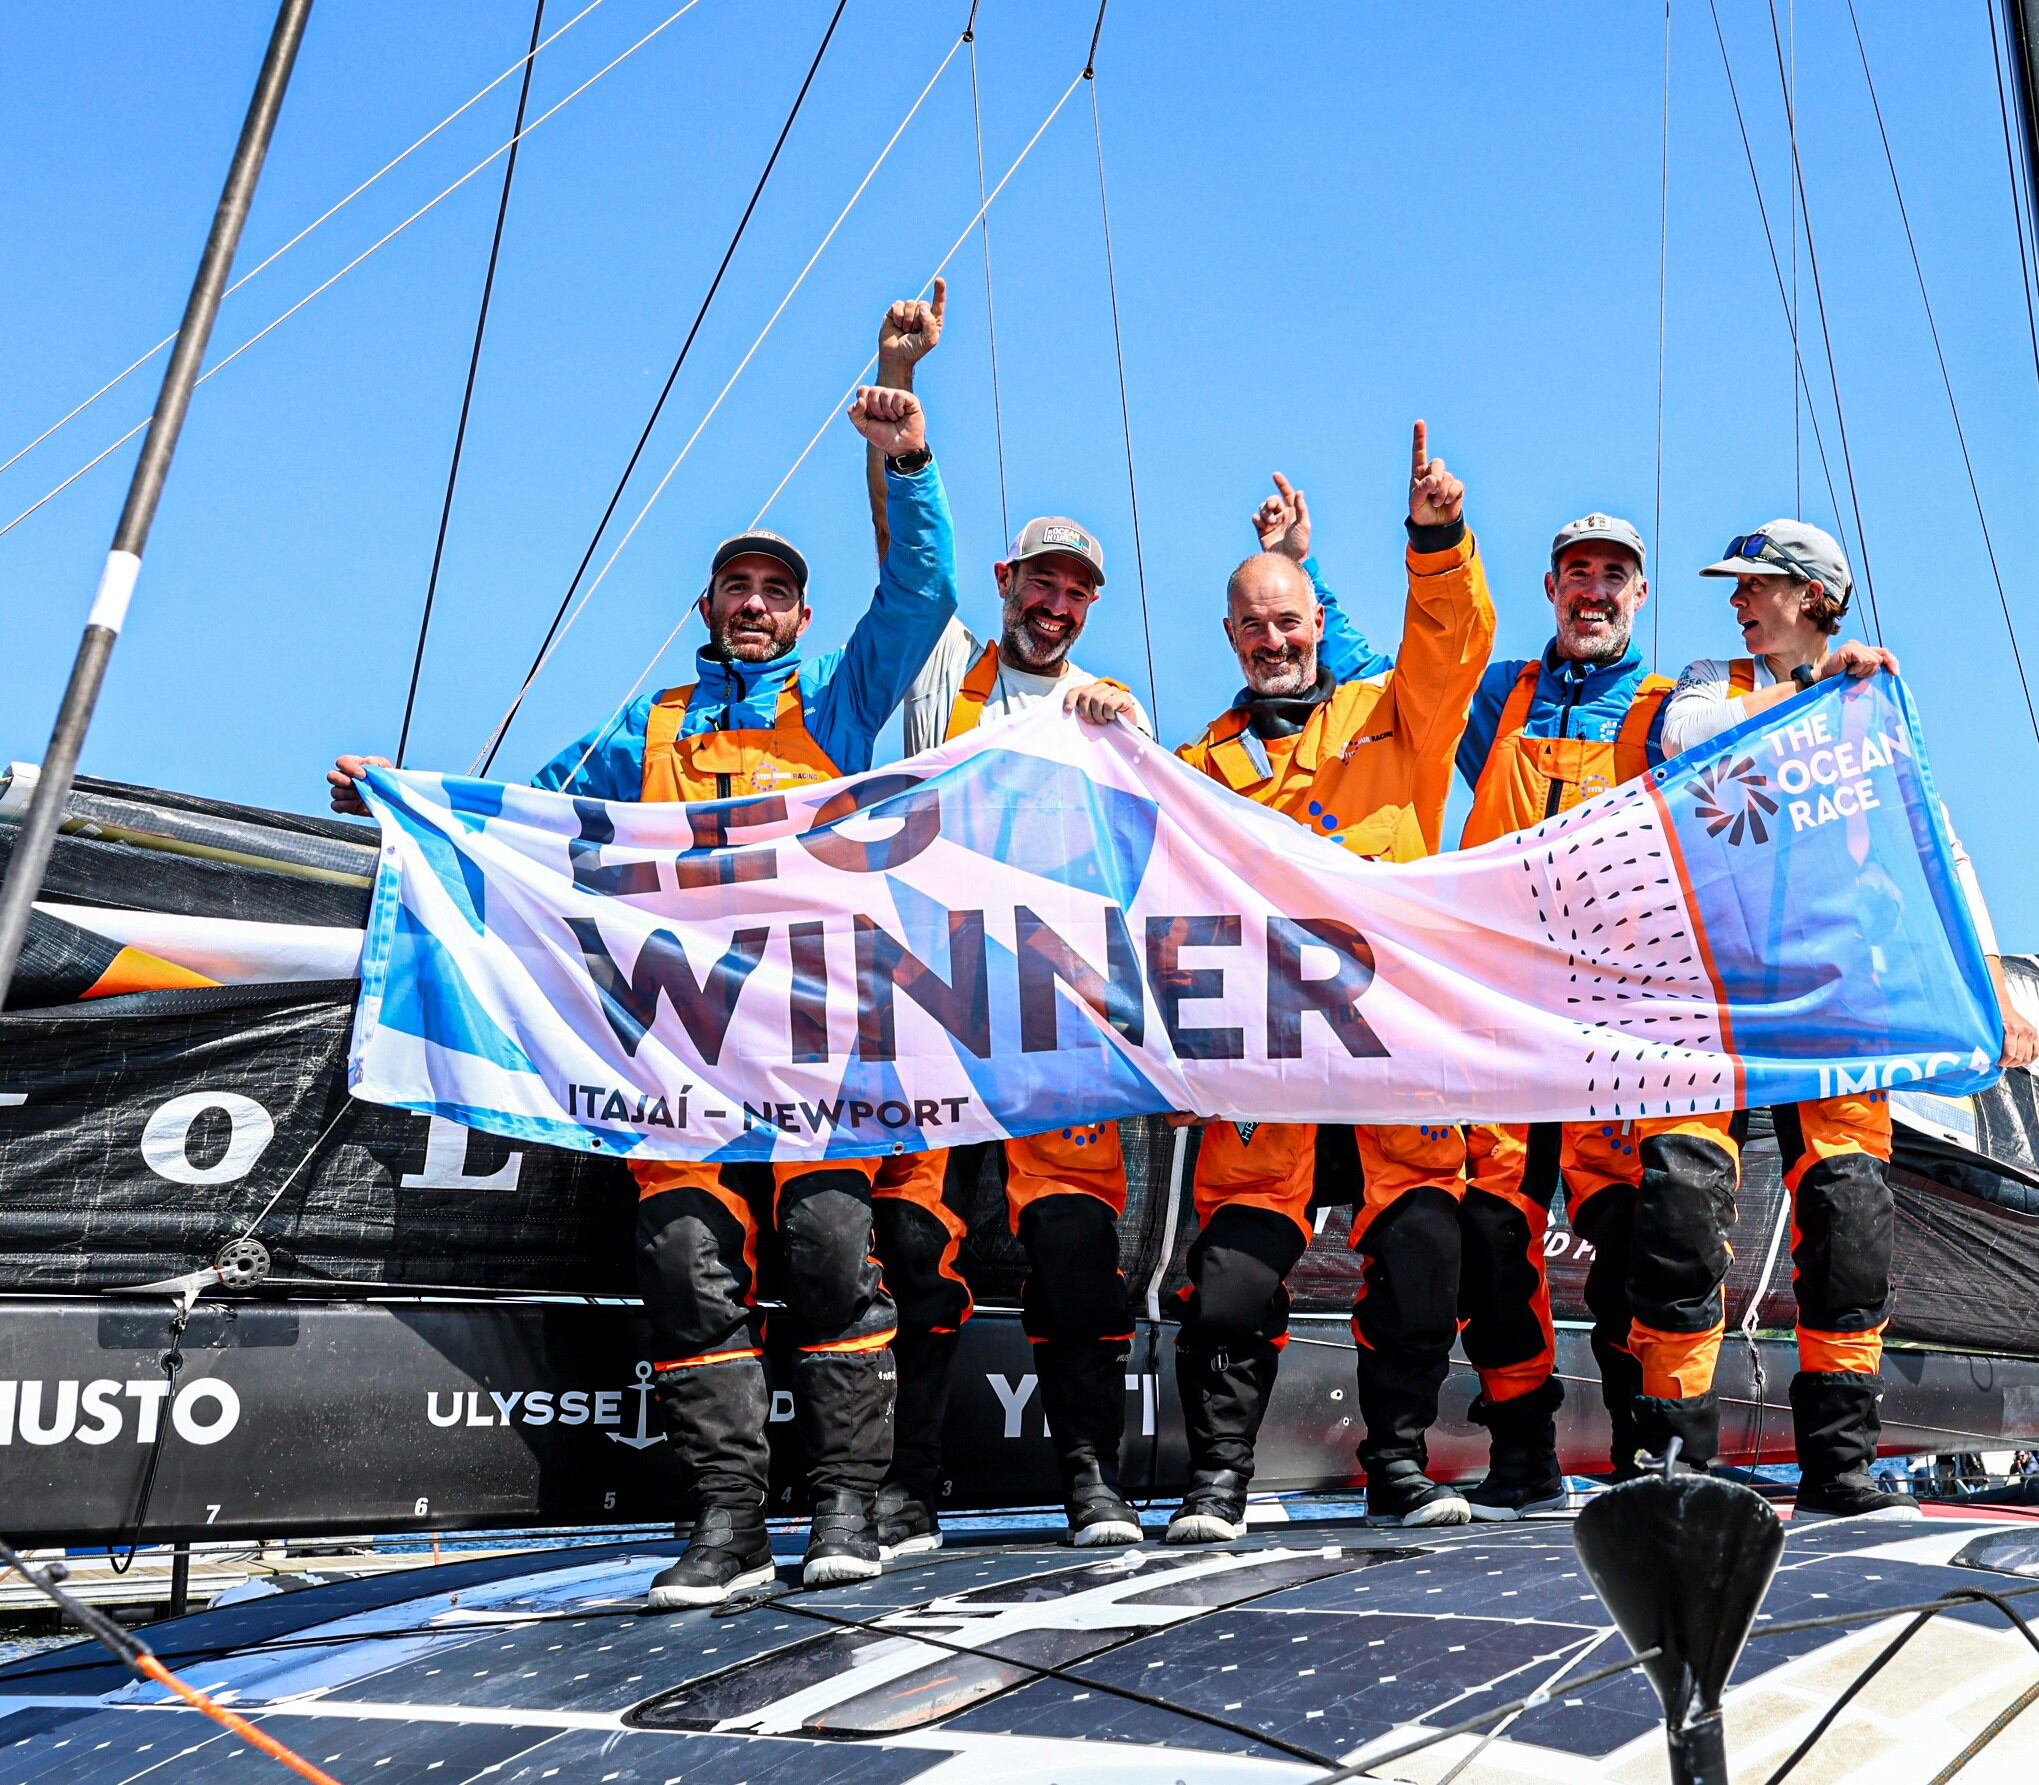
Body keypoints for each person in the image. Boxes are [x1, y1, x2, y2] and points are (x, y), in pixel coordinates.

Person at [327, 387, 962, 1603]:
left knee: (832, 1252)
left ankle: (843, 1507)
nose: (756, 604)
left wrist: (909, 463)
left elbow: (921, 597)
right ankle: (727, 1522)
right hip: (677, 1052)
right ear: (708, 609)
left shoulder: (836, 702)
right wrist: (402, 800)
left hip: (813, 1039)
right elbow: (521, 817)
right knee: (683, 1261)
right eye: (738, 588)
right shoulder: (648, 726)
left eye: (776, 591)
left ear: (804, 615)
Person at [850, 288, 1383, 1555]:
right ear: (1007, 584)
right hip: (932, 1006)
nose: (1057, 603)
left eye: (1076, 590)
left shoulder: (1119, 712)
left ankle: (1090, 1486)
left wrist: (1133, 727)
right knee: (913, 1256)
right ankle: (902, 1492)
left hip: (1055, 1022)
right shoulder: (941, 667)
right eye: (1041, 580)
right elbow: (905, 560)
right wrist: (899, 400)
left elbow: (1216, 827)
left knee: (1071, 1260)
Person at [1138, 423, 1493, 1543]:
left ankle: (1397, 1464)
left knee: (1423, 1257)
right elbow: (1147, 896)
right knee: (1232, 1279)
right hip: (1267, 1066)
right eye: (1253, 626)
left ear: (1315, 622)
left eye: (1288, 621)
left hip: (1393, 1058)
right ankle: (1216, 1483)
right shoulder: (1194, 768)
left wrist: (1436, 538)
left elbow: (1452, 642)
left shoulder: (1393, 719)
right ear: (1230, 636)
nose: (1273, 641)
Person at [1660, 517, 2036, 1516]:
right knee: (1681, 1215)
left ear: (1813, 596)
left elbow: (1938, 847)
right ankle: (1674, 1462)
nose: (1736, 602)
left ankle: (1838, 1464)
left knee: (1849, 1218)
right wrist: (1814, 693)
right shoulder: (1708, 683)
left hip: (1835, 993)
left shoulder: (1875, 712)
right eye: (1735, 587)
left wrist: (1993, 986)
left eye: (1754, 585)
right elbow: (1687, 743)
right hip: (1717, 993)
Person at [1448, 512, 1733, 1512]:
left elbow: (1765, 753)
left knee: (1635, 1244)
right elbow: (1400, 683)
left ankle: (1651, 1456)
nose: (1594, 590)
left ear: (1639, 595)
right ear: (1551, 587)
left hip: (1623, 1024)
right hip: (1507, 1013)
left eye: (1614, 574)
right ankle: (1520, 1454)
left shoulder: (1669, 711)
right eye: (1577, 571)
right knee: (1490, 1235)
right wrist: (1315, 576)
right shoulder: (1500, 696)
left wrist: (1842, 678)